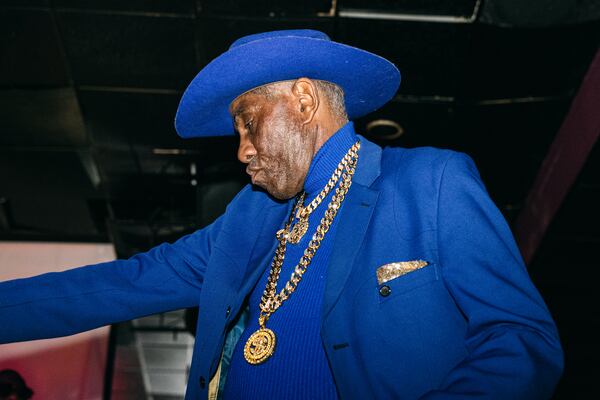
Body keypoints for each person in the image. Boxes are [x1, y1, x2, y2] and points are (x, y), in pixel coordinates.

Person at [0, 30, 563, 399]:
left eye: (248, 122)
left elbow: (521, 340)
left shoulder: (430, 183)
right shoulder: (246, 221)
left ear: (303, 99)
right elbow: (115, 285)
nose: (241, 149)